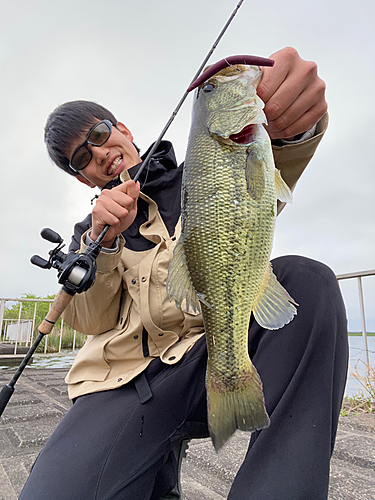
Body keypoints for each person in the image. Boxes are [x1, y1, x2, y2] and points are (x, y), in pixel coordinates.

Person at [20, 47, 348, 500]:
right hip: (122, 382)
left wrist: (300, 125)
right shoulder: (89, 234)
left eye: (98, 133)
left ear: (122, 129)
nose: (97, 153)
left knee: (309, 282)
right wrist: (105, 241)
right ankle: (155, 466)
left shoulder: (201, 170)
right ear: (82, 179)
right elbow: (90, 321)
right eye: (80, 157)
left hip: (206, 354)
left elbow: (279, 160)